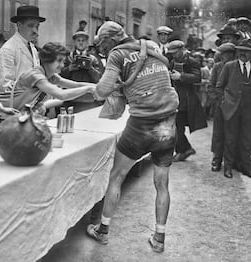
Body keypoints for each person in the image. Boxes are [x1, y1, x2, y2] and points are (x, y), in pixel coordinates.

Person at [85, 21, 179, 253]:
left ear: (111, 39)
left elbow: (103, 90)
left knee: (116, 176)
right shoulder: (150, 47)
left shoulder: (117, 54)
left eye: (101, 43)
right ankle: (159, 238)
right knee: (162, 183)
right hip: (168, 122)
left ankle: (103, 230)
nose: (100, 49)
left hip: (141, 124)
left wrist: (94, 90)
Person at [217, 39, 251, 179]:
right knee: (230, 139)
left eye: (247, 51)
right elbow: (219, 87)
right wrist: (224, 104)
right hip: (232, 109)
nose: (243, 53)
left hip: (250, 110)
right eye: (241, 50)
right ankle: (228, 167)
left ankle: (246, 167)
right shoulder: (229, 66)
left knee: (247, 140)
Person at [10, 42, 96, 113]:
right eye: (59, 61)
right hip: (5, 114)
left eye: (63, 61)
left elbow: (76, 85)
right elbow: (61, 95)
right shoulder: (36, 75)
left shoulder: (50, 75)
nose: (62, 65)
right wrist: (88, 89)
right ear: (47, 59)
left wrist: (99, 87)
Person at [166, 40, 206, 162]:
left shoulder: (192, 61)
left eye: (175, 53)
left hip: (187, 100)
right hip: (176, 99)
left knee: (178, 127)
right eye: (172, 53)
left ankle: (182, 150)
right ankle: (184, 149)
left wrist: (181, 76)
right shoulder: (173, 62)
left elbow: (197, 77)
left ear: (182, 50)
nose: (173, 55)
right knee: (176, 126)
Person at [0, 5, 45, 97]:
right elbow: (4, 87)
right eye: (30, 26)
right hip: (15, 105)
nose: (35, 31)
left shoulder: (32, 48)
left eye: (37, 26)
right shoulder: (8, 50)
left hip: (32, 103)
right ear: (19, 25)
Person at [60, 31, 103, 112]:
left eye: (83, 40)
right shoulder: (68, 58)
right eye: (78, 40)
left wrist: (90, 68)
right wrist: (69, 69)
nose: (81, 43)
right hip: (71, 97)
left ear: (87, 43)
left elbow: (98, 78)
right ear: (74, 43)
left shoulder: (93, 59)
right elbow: (60, 76)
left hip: (87, 99)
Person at [210, 43, 236, 172]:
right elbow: (211, 86)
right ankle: (216, 160)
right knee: (218, 134)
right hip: (220, 105)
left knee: (231, 135)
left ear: (231, 55)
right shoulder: (217, 67)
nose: (223, 56)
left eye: (226, 54)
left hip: (233, 106)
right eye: (222, 54)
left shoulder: (236, 67)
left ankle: (229, 164)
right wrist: (217, 100)